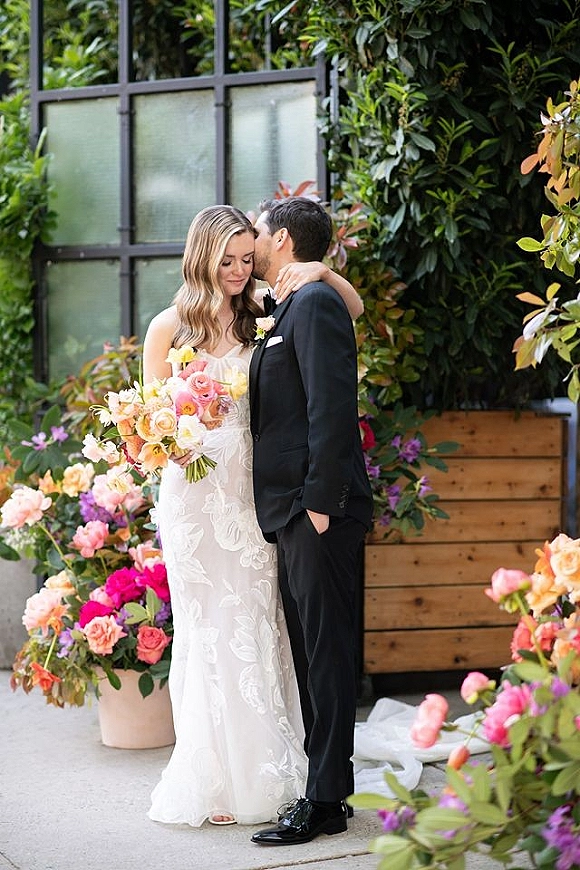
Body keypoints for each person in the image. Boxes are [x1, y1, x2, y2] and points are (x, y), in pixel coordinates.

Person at [143, 204, 364, 827]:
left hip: (252, 497)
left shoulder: (265, 311)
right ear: (201, 257)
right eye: (229, 259)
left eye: (248, 256)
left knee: (258, 628)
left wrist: (325, 271)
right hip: (192, 499)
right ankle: (212, 775)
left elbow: (349, 312)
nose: (241, 270)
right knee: (204, 633)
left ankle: (273, 771)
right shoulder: (168, 329)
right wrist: (171, 432)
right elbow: (147, 423)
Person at [248, 196, 374, 846]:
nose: (254, 241)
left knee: (325, 659)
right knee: (312, 654)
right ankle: (325, 789)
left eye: (260, 232)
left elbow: (332, 405)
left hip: (314, 508)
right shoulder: (296, 303)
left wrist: (320, 505)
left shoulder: (314, 304)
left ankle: (325, 802)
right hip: (294, 509)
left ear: (286, 241)